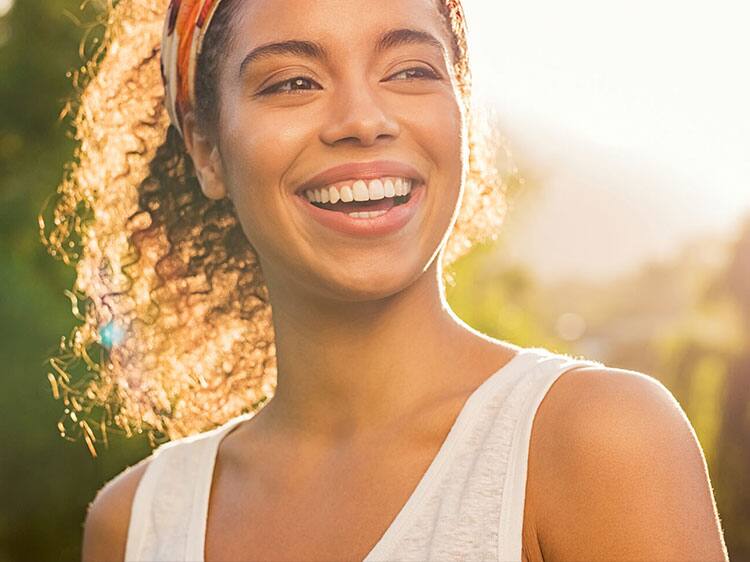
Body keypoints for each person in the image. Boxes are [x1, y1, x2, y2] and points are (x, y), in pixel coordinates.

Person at [66, 0, 728, 560]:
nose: (363, 120)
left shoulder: (600, 440)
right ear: (206, 149)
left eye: (411, 70)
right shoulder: (136, 524)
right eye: (292, 82)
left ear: (458, 112)